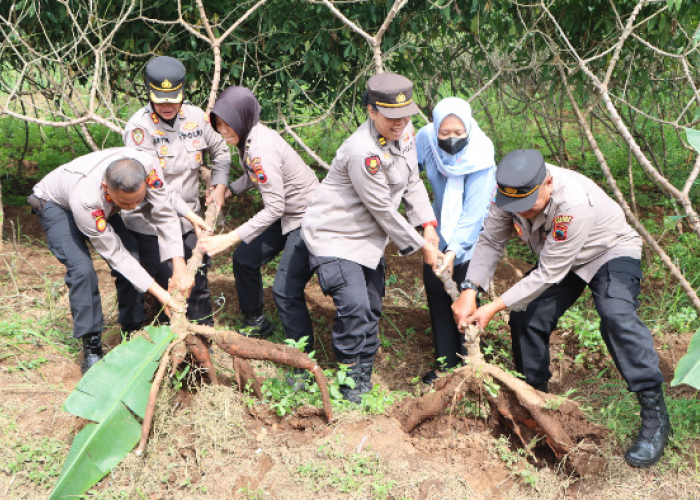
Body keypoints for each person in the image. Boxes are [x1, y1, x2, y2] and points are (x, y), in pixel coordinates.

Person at [452, 149, 671, 468]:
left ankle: (655, 417)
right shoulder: (507, 194)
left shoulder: (573, 203)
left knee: (616, 316)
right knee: (527, 315)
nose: (522, 214)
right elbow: (490, 241)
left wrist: (492, 307)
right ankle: (534, 403)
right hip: (560, 257)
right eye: (516, 208)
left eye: (528, 206)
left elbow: (548, 273)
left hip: (608, 250)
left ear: (548, 183)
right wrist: (470, 290)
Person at [301, 73, 439, 403]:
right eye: (392, 117)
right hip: (335, 236)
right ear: (371, 111)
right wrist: (423, 249)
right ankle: (348, 380)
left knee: (373, 306)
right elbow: (382, 208)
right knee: (355, 305)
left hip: (369, 239)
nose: (401, 123)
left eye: (406, 115)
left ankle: (363, 371)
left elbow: (412, 182)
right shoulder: (362, 151)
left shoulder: (405, 134)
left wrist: (428, 226)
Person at [28, 148, 208, 374]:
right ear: (106, 188)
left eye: (138, 201)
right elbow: (116, 255)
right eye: (126, 203)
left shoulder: (147, 166)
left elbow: (164, 210)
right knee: (82, 270)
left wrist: (179, 264)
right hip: (57, 205)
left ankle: (132, 329)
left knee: (134, 254)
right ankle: (92, 345)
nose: (132, 208)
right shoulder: (86, 198)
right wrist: (162, 295)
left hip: (102, 203)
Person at [198, 86, 319, 346]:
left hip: (306, 216)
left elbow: (274, 207)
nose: (223, 130)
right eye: (219, 124)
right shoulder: (249, 137)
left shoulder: (259, 148)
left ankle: (303, 357)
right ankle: (256, 321)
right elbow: (254, 175)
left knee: (285, 289)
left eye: (228, 124)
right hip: (286, 211)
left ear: (243, 118)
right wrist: (228, 191)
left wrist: (229, 237)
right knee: (245, 259)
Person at [119, 56, 231, 333]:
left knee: (198, 280)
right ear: (148, 93)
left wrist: (218, 186)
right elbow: (155, 186)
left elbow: (222, 152)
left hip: (189, 219)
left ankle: (205, 339)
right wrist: (191, 214)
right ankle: (155, 339)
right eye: (160, 100)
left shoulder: (195, 118)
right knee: (165, 281)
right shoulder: (139, 129)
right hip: (150, 222)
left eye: (173, 99)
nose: (167, 106)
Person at [415, 97, 496, 384]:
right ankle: (445, 364)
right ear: (435, 128)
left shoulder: (481, 154)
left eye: (458, 134)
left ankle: (468, 365)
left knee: (465, 296)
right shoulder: (424, 138)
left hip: (472, 235)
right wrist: (427, 225)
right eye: (444, 133)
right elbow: (411, 174)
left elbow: (474, 214)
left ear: (469, 130)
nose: (451, 139)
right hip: (437, 228)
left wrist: (454, 250)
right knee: (437, 293)